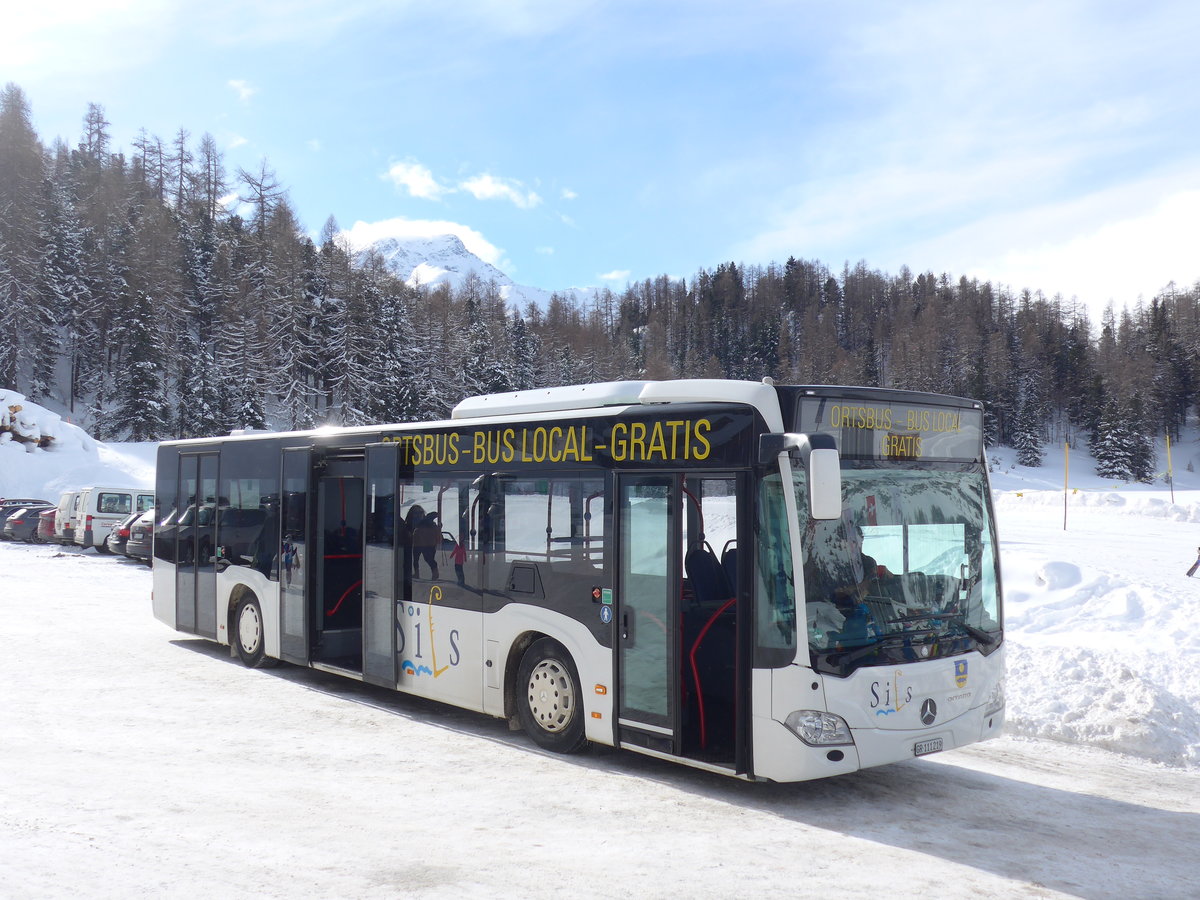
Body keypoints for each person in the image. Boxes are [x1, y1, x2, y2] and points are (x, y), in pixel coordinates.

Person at [412, 510, 441, 579]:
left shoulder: (420, 524)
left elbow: (415, 533)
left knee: (416, 560)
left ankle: (417, 574)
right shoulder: (433, 525)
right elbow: (438, 535)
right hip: (430, 545)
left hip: (418, 544)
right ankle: (435, 573)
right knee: (430, 559)